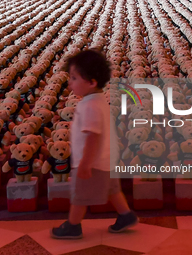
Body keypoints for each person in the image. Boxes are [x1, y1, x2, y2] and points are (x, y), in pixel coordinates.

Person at [51, 50, 138, 239]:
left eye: (74, 78)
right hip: (105, 159)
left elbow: (92, 135)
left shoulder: (89, 106)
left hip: (93, 162)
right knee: (112, 189)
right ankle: (126, 215)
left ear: (91, 82)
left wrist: (85, 163)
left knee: (80, 195)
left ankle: (73, 225)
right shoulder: (97, 101)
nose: (70, 83)